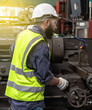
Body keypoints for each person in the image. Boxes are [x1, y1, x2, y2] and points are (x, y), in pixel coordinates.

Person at [5, 3, 69, 110]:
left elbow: (12, 52)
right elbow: (45, 77)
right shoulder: (40, 44)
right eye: (55, 22)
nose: (56, 27)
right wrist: (59, 82)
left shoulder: (22, 34)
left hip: (14, 97)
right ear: (47, 22)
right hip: (30, 101)